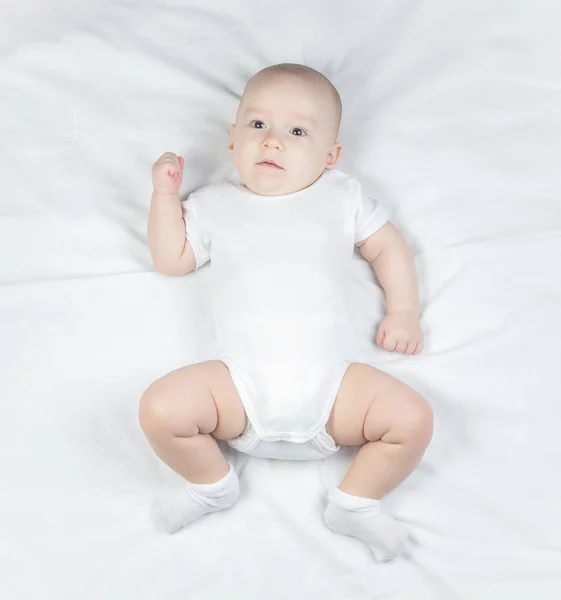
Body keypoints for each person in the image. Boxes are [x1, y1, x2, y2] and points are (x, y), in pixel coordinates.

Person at [139, 63, 433, 561]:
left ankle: (356, 503)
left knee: (414, 419)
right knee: (159, 409)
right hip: (237, 392)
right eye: (257, 126)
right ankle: (210, 483)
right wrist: (164, 196)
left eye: (297, 131)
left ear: (330, 155)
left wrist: (404, 312)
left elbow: (387, 248)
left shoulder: (342, 196)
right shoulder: (213, 204)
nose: (273, 141)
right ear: (233, 139)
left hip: (335, 394)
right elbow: (173, 259)